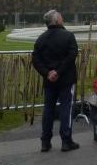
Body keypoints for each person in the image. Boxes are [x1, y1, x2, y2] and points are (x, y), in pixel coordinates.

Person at [32, 9, 79, 152]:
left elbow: (36, 60)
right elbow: (71, 56)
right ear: (57, 20)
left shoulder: (41, 38)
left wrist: (48, 73)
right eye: (61, 16)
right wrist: (58, 72)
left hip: (49, 81)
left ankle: (45, 141)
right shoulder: (68, 36)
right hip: (65, 79)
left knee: (48, 110)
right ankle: (66, 141)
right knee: (66, 108)